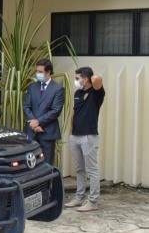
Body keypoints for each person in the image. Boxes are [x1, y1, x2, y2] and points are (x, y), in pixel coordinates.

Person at [65, 67, 105, 212]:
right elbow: (75, 113)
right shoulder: (78, 93)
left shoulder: (96, 93)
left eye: (78, 78)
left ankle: (93, 201)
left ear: (86, 78)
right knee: (79, 169)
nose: (76, 81)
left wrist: (89, 77)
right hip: (75, 136)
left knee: (92, 170)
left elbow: (97, 79)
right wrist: (71, 133)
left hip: (89, 136)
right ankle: (79, 197)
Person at [23, 58, 64, 165]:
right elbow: (26, 106)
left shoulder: (57, 89)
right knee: (30, 164)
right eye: (37, 71)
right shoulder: (32, 87)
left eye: (40, 72)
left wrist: (39, 122)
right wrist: (34, 124)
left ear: (48, 72)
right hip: (32, 132)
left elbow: (56, 110)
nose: (37, 74)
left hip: (47, 132)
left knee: (47, 164)